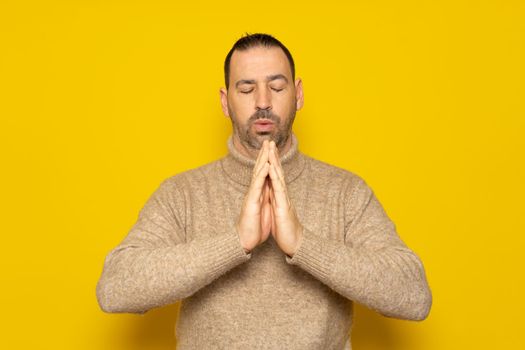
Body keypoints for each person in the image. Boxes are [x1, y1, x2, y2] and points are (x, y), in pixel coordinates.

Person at [96, 33, 432, 349]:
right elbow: (115, 289)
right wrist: (235, 242)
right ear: (226, 102)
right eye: (246, 89)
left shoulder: (345, 192)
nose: (263, 102)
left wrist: (303, 244)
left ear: (298, 94)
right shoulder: (181, 194)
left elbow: (414, 296)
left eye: (276, 86)